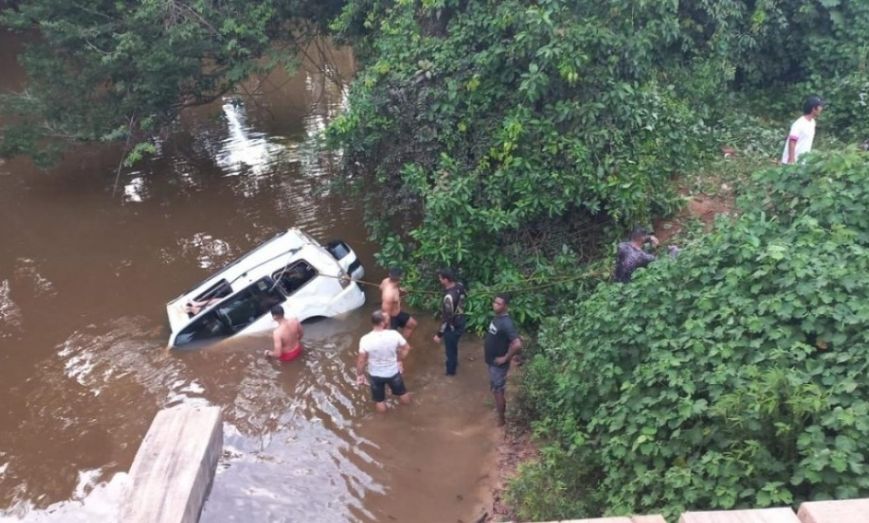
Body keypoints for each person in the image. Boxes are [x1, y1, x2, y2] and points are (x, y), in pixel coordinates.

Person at [356, 310, 412, 413]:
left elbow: (361, 360)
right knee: (402, 393)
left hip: (375, 375)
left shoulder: (365, 339)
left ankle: (383, 421)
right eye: (387, 320)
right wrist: (399, 360)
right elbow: (406, 348)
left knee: (380, 400)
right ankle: (410, 411)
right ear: (382, 323)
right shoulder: (394, 335)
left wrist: (360, 374)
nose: (388, 321)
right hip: (393, 373)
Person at [484, 294, 522, 426]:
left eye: (498, 303)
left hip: (498, 364)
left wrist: (506, 358)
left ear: (505, 306)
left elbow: (517, 344)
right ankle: (500, 412)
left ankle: (501, 420)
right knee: (495, 389)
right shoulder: (497, 318)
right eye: (494, 302)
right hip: (492, 361)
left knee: (498, 390)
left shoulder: (506, 323)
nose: (495, 305)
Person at [432, 268, 467, 375]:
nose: (439, 280)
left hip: (452, 327)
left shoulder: (448, 297)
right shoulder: (460, 286)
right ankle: (455, 363)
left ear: (446, 280)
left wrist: (439, 334)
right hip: (461, 321)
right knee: (454, 345)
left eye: (440, 279)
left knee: (450, 351)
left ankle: (450, 373)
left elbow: (447, 318)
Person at [781, 95, 824, 165]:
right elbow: (792, 141)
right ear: (813, 109)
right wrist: (791, 159)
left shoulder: (812, 122)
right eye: (819, 106)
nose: (821, 109)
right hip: (792, 162)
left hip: (802, 162)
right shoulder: (799, 123)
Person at [380, 267, 417, 339]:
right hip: (391, 318)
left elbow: (380, 288)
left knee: (412, 324)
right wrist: (388, 328)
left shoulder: (386, 281)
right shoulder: (389, 295)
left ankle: (402, 343)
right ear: (401, 277)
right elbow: (385, 312)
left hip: (398, 313)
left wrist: (400, 290)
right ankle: (396, 346)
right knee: (391, 339)